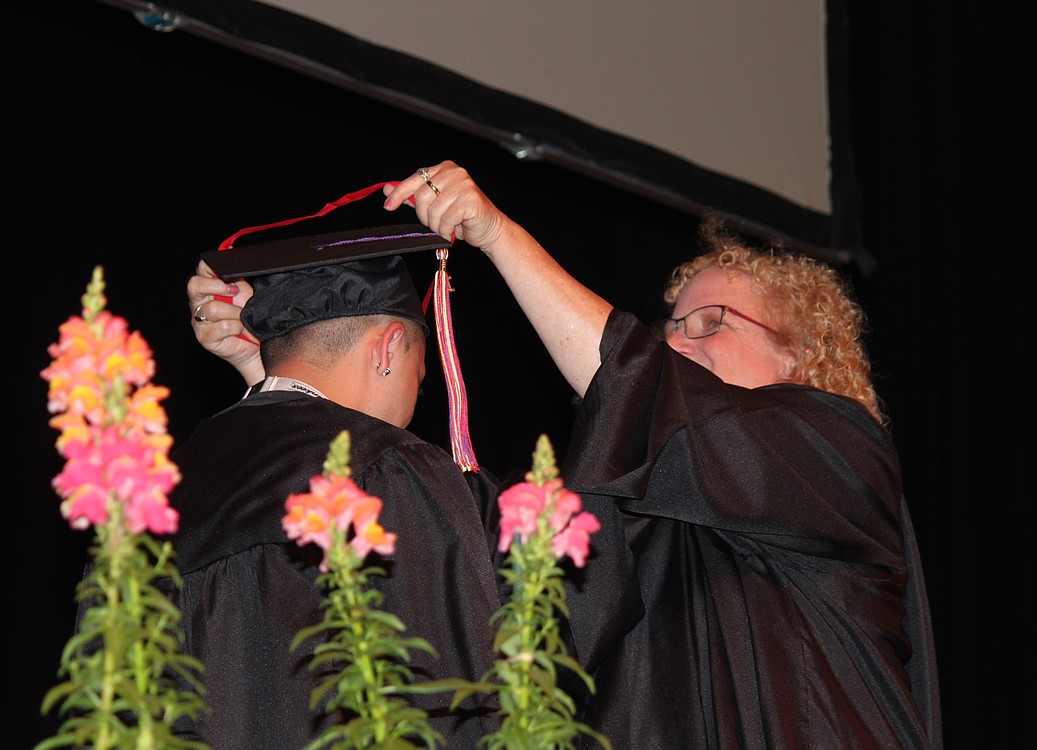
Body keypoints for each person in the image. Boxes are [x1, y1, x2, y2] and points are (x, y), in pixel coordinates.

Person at [189, 163, 942, 749]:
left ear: (805, 355)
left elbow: (661, 402)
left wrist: (497, 235)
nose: (676, 341)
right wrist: (276, 373)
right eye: (670, 324)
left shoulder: (836, 454)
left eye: (713, 322)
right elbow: (449, 537)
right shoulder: (622, 503)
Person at [176, 233, 501, 749]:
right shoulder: (387, 469)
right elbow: (450, 690)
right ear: (389, 347)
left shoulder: (168, 480)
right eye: (420, 379)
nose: (414, 404)